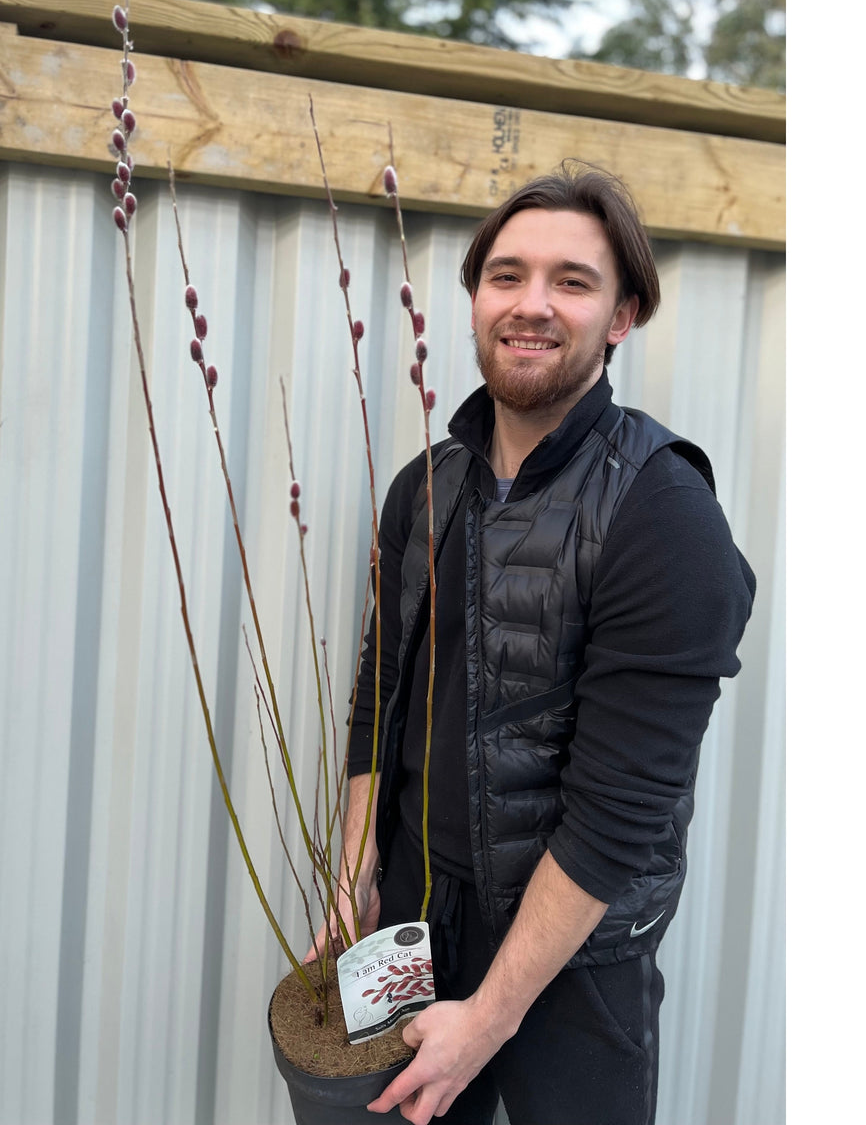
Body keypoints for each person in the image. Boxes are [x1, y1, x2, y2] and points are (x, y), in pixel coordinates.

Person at [305, 160, 756, 1125]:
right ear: (474, 297)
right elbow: (380, 693)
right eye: (506, 275)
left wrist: (491, 1015)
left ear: (622, 315)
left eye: (573, 281)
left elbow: (621, 810)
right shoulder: (426, 487)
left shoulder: (664, 514)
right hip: (418, 917)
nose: (532, 304)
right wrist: (355, 880)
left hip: (576, 954)